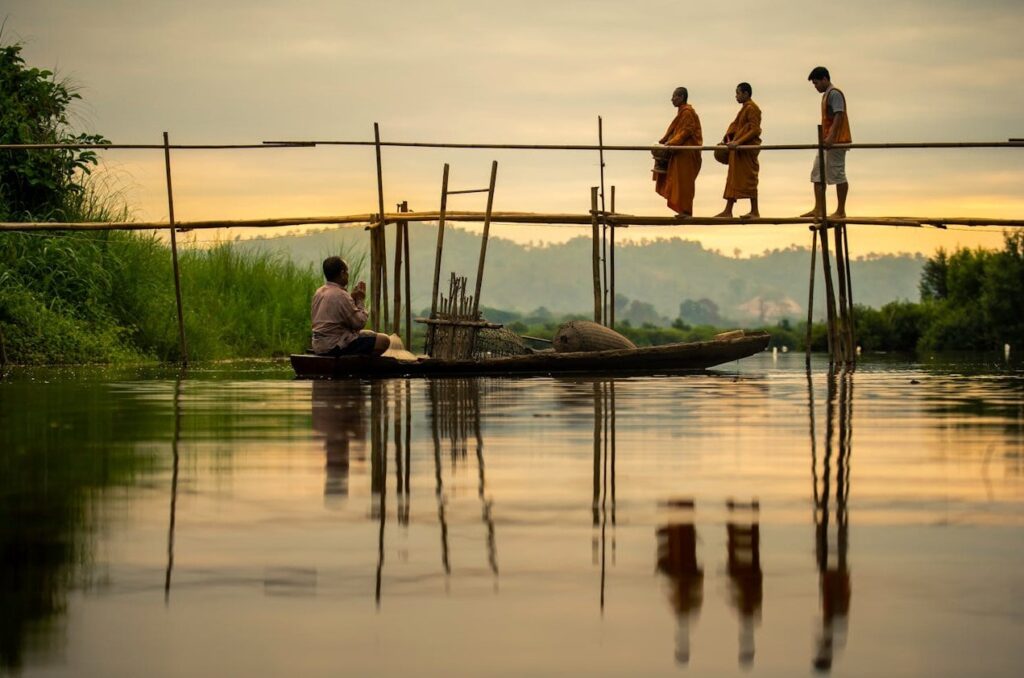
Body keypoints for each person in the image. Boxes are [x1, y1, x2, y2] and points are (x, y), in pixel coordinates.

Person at [310, 256, 390, 356]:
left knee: (369, 333)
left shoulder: (319, 292)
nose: (348, 274)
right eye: (347, 271)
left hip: (319, 345)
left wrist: (352, 298)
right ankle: (358, 363)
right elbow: (359, 323)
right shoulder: (341, 294)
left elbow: (337, 316)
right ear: (342, 273)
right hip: (334, 346)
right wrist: (360, 300)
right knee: (384, 340)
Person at [802, 66, 852, 218]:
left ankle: (840, 211)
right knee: (817, 173)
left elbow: (839, 115)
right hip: (826, 141)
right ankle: (818, 208)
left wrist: (831, 137)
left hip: (837, 141)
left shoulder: (834, 93)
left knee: (837, 174)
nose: (815, 86)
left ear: (824, 79)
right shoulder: (826, 95)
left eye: (816, 83)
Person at [654, 87, 703, 217]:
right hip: (680, 152)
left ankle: (686, 211)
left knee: (685, 182)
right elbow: (674, 131)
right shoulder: (682, 112)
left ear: (681, 97)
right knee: (679, 182)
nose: (672, 99)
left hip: (687, 153)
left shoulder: (687, 113)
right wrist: (664, 141)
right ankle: (683, 210)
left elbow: (686, 131)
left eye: (674, 96)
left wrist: (671, 143)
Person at [715, 82, 762, 218]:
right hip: (738, 150)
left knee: (750, 179)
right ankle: (728, 210)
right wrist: (727, 141)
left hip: (746, 149)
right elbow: (735, 127)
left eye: (738, 93)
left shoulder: (752, 108)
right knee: (733, 179)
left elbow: (755, 129)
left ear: (746, 94)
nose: (736, 96)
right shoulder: (744, 109)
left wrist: (738, 142)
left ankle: (755, 211)